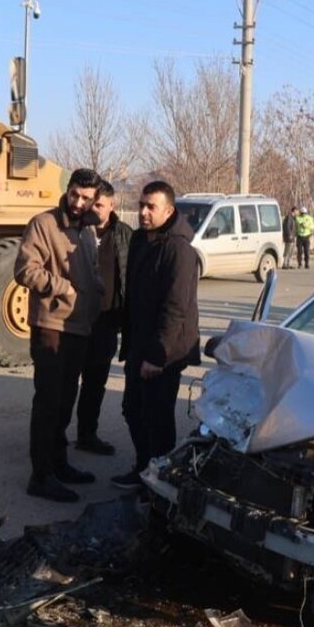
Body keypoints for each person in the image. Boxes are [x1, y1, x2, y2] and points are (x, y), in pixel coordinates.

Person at [15, 168, 104, 503]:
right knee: (48, 402)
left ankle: (59, 463)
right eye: (74, 195)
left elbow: (92, 270)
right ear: (67, 191)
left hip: (79, 327)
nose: (79, 203)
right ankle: (41, 476)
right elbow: (25, 270)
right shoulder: (44, 223)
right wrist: (63, 288)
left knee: (66, 401)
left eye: (86, 198)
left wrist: (96, 293)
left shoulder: (87, 230)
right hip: (51, 326)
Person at [112, 181, 200, 491]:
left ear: (168, 210)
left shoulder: (179, 250)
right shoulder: (140, 240)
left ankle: (162, 482)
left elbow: (176, 308)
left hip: (167, 349)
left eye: (152, 207)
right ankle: (143, 468)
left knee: (157, 416)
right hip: (140, 342)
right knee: (132, 409)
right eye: (141, 205)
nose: (144, 212)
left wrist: (157, 356)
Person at [72, 180, 132, 457]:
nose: (93, 208)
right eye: (91, 203)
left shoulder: (125, 235)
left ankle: (87, 434)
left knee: (95, 384)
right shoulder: (76, 230)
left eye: (99, 204)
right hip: (74, 320)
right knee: (66, 383)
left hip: (106, 321)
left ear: (112, 205)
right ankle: (55, 439)